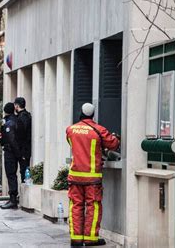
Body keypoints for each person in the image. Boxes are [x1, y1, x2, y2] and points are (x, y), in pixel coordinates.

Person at [66, 103, 119, 247]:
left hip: (75, 176)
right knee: (93, 206)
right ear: (93, 114)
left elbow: (73, 144)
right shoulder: (99, 130)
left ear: (80, 113)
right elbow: (113, 144)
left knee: (75, 206)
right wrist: (115, 137)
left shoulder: (70, 130)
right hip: (92, 177)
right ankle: (90, 238)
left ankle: (76, 239)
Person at [0, 102, 21, 209]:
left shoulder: (8, 123)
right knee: (12, 175)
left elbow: (10, 139)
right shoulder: (16, 119)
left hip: (10, 152)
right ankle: (12, 198)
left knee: (10, 174)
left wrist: (0, 139)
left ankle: (13, 200)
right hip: (14, 151)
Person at [14, 97, 32, 182]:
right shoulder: (25, 115)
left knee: (24, 171)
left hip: (24, 149)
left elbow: (22, 134)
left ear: (17, 106)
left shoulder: (23, 117)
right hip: (24, 149)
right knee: (23, 171)